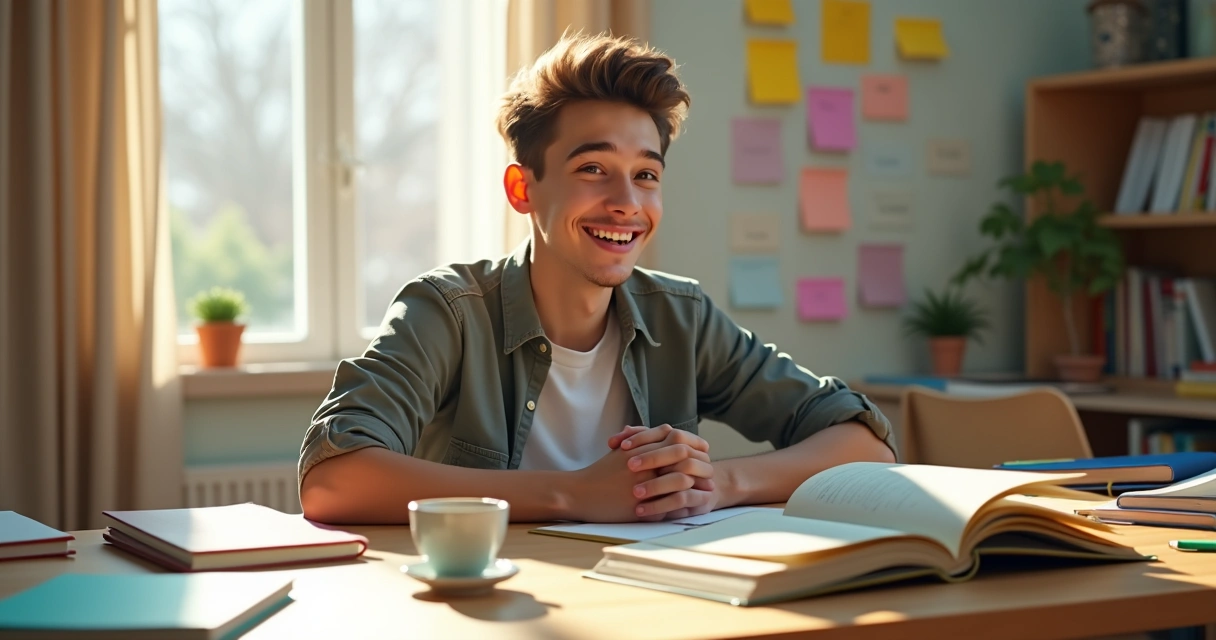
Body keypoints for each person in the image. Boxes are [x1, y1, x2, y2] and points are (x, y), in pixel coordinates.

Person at [299, 32, 896, 525]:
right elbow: (333, 477)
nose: (626, 203)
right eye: (593, 168)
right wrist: (573, 494)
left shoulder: (681, 317)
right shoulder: (447, 312)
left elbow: (864, 442)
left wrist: (717, 482)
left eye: (646, 175)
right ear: (523, 188)